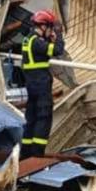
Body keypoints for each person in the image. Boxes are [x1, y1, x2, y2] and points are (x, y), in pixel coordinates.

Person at [20, 10, 65, 158]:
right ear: (44, 26)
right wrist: (58, 35)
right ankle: (37, 156)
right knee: (43, 119)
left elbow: (43, 53)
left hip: (31, 86)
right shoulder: (37, 42)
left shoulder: (28, 39)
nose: (51, 31)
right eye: (50, 28)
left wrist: (50, 39)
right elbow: (58, 50)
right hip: (41, 86)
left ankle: (25, 155)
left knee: (31, 119)